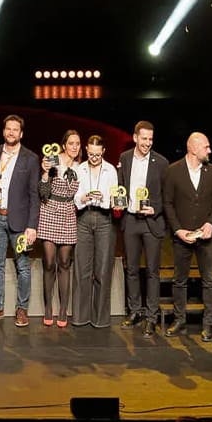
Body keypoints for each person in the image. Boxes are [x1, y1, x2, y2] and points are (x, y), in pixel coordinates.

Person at [162, 132, 212, 340]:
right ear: (194, 148)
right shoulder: (173, 171)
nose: (209, 151)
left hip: (206, 236)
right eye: (206, 147)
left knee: (209, 280)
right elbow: (168, 203)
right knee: (180, 280)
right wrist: (178, 230)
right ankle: (179, 319)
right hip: (183, 236)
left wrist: (210, 223)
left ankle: (209, 324)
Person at [0, 115, 40, 326]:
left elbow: (34, 195)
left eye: (15, 129)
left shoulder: (30, 158)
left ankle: (22, 309)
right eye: (8, 129)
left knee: (22, 266)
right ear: (3, 131)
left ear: (21, 133)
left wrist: (32, 226)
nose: (11, 132)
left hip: (20, 221)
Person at [117, 120, 169, 335]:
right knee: (131, 269)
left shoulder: (162, 162)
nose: (147, 143)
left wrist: (155, 208)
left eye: (150, 139)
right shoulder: (125, 158)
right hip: (130, 220)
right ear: (135, 137)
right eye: (144, 138)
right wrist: (118, 202)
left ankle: (151, 316)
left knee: (152, 271)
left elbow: (167, 196)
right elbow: (120, 187)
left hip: (151, 222)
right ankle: (135, 311)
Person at [73, 135, 119, 328]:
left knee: (102, 269)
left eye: (97, 155)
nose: (93, 158)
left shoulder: (110, 170)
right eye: (91, 154)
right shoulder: (79, 169)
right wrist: (84, 197)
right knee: (81, 269)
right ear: (86, 150)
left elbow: (115, 196)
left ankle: (100, 318)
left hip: (104, 219)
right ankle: (80, 317)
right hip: (83, 218)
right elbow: (75, 196)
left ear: (103, 152)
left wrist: (105, 199)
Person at [37, 130, 82, 328]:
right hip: (49, 211)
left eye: (77, 144)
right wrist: (45, 173)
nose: (74, 147)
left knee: (64, 262)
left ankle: (63, 310)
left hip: (68, 213)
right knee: (49, 262)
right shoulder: (53, 161)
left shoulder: (81, 167)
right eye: (71, 143)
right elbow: (43, 192)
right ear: (64, 145)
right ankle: (48, 308)